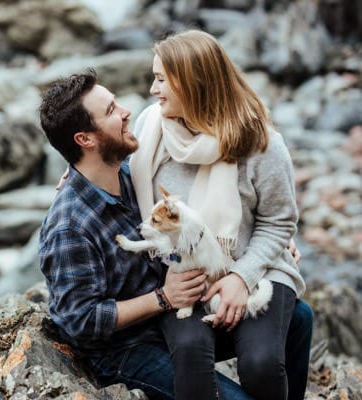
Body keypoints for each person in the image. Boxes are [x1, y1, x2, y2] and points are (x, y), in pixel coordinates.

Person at [38, 68, 313, 400]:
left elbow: (205, 206)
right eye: (111, 111)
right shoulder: (70, 226)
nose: (127, 112)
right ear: (85, 139)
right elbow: (79, 320)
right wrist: (163, 298)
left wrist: (270, 241)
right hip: (125, 350)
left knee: (297, 317)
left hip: (172, 318)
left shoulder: (131, 173)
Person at [129, 29, 308, 400]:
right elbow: (110, 166)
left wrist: (240, 278)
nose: (152, 89)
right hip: (184, 275)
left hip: (256, 268)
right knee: (191, 353)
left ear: (192, 82)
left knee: (260, 364)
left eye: (161, 79)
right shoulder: (150, 128)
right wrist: (73, 173)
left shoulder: (260, 142)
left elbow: (279, 221)